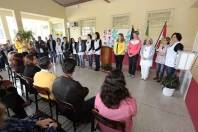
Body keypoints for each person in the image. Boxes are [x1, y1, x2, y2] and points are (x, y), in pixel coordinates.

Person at [52, 58, 95, 122]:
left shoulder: (56, 80)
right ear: (74, 69)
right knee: (95, 98)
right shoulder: (74, 85)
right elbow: (85, 92)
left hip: (61, 108)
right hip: (73, 113)